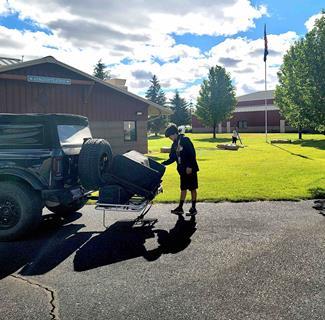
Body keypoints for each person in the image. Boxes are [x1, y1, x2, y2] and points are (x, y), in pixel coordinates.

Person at [162, 124, 199, 216]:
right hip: (182, 170)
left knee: (192, 188)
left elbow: (192, 154)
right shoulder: (174, 144)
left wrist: (190, 166)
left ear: (174, 133)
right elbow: (172, 158)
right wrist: (162, 163)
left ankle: (193, 208)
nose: (169, 138)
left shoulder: (185, 140)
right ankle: (180, 208)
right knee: (183, 188)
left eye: (170, 136)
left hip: (190, 169)